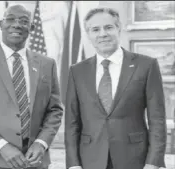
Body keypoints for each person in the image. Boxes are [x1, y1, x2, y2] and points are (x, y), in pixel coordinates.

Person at [0, 4, 63, 169]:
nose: (16, 24)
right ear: (1, 24)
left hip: (34, 161)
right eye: (11, 19)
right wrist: (1, 146)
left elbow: (55, 110)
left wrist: (41, 143)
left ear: (31, 27)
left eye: (23, 21)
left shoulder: (47, 64)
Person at [65, 7, 167, 169]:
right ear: (88, 34)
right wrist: (73, 164)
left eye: (108, 27)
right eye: (95, 29)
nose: (103, 34)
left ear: (118, 28)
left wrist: (153, 161)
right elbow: (72, 122)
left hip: (135, 159)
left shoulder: (146, 65)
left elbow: (157, 120)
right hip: (90, 159)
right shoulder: (77, 71)